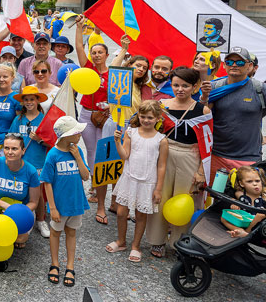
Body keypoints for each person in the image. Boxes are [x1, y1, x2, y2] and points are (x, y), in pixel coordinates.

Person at [145, 67, 210, 258]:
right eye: (175, 85)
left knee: (183, 199)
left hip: (190, 155)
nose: (180, 89)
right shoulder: (162, 105)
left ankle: (178, 241)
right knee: (160, 196)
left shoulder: (202, 109)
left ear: (195, 86)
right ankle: (156, 240)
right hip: (163, 153)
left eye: (185, 85)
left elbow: (206, 143)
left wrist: (201, 170)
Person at [107, 101, 168, 263]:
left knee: (141, 216)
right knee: (121, 213)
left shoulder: (161, 140)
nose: (146, 120)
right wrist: (117, 142)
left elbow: (161, 166)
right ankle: (121, 241)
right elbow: (124, 156)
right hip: (129, 178)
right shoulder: (131, 132)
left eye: (150, 117)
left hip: (147, 182)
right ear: (138, 116)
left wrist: (158, 189)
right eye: (143, 116)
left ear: (157, 118)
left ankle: (136, 246)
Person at [40, 116, 90, 288]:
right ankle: (55, 264)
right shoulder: (52, 155)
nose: (80, 135)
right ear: (66, 135)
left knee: (72, 233)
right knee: (55, 233)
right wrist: (52, 208)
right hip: (59, 206)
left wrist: (78, 157)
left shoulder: (77, 151)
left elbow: (85, 176)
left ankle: (70, 265)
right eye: (76, 132)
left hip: (75, 203)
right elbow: (47, 182)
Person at [74, 16, 110, 224]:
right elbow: (79, 46)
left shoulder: (113, 72)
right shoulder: (87, 66)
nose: (96, 55)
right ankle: (95, 186)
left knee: (104, 152)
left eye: (99, 52)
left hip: (105, 116)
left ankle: (100, 186)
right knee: (92, 151)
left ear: (106, 54)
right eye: (94, 52)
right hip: (87, 113)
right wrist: (79, 28)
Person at [209, 47, 265, 180]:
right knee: (216, 198)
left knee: (244, 198)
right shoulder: (214, 88)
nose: (234, 65)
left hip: (248, 159)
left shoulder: (260, 89)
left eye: (239, 62)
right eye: (229, 62)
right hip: (217, 156)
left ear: (250, 66)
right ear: (224, 65)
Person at [0, 134, 40, 247]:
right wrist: (5, 206)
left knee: (21, 238)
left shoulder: (31, 171)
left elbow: (34, 202)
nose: (10, 152)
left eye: (14, 148)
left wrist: (14, 213)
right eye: (6, 148)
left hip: (20, 210)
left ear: (23, 151)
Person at [10, 86, 50, 238]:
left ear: (37, 100)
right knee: (20, 189)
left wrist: (39, 140)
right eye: (26, 100)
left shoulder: (44, 119)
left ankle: (40, 220)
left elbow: (52, 142)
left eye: (31, 99)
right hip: (21, 162)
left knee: (38, 193)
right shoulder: (18, 119)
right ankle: (23, 218)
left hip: (38, 161)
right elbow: (11, 137)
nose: (28, 102)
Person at [221, 166, 266, 238]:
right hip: (244, 220)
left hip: (259, 224)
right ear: (242, 184)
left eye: (257, 181)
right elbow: (232, 198)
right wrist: (234, 204)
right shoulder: (240, 194)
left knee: (260, 215)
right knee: (224, 217)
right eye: (249, 181)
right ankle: (238, 230)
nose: (255, 184)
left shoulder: (263, 196)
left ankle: (246, 233)